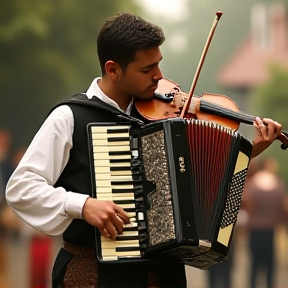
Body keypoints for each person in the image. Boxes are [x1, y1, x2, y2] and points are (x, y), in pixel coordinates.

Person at [5, 12, 283, 288]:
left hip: (164, 277)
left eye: (158, 64)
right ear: (113, 69)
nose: (159, 76)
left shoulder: (166, 117)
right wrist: (82, 205)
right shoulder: (70, 117)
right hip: (94, 275)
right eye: (147, 69)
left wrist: (248, 151)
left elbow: (196, 180)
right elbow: (21, 188)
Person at [242, 157, 288, 288]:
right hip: (270, 230)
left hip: (254, 230)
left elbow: (246, 206)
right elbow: (284, 210)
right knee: (269, 266)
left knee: (254, 265)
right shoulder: (278, 186)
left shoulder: (252, 185)